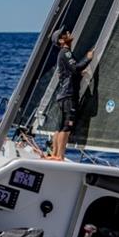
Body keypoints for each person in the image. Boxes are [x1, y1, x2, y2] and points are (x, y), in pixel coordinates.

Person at [47, 27, 92, 161]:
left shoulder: (63, 54)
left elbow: (69, 72)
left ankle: (54, 154)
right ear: (61, 40)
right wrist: (88, 58)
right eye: (65, 33)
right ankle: (60, 156)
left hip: (63, 95)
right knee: (67, 127)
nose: (68, 33)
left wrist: (79, 75)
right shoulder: (66, 52)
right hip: (68, 95)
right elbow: (75, 67)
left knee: (60, 127)